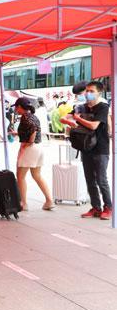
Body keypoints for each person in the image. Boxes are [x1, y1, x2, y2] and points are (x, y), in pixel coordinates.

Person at [61, 81, 112, 220]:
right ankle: (96, 208)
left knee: (101, 180)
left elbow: (94, 126)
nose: (88, 93)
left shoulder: (103, 107)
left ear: (99, 93)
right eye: (87, 91)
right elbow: (63, 118)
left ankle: (108, 207)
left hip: (101, 149)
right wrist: (69, 121)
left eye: (91, 91)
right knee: (90, 180)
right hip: (85, 148)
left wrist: (77, 119)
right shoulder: (81, 107)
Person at [12, 97, 54, 212]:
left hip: (30, 149)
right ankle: (49, 200)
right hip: (38, 148)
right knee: (37, 175)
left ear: (19, 107)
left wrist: (28, 143)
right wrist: (19, 134)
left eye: (16, 107)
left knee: (20, 176)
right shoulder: (33, 116)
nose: (16, 110)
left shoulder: (25, 117)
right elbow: (32, 129)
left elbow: (33, 129)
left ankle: (23, 203)